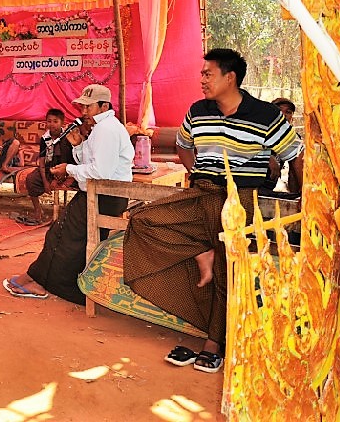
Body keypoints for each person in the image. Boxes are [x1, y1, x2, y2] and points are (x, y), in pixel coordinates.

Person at [122, 49, 303, 375]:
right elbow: (182, 144)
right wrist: (197, 172)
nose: (202, 80)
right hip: (202, 191)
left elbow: (295, 154)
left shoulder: (265, 115)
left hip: (240, 200)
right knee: (143, 220)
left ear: (229, 77)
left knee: (225, 270)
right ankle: (202, 252)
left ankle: (212, 345)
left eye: (208, 74)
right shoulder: (198, 110)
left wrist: (305, 198)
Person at [2, 84, 133, 304]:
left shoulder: (106, 129)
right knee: (68, 237)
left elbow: (100, 172)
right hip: (101, 194)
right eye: (83, 107)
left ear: (104, 106)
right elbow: (91, 163)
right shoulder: (101, 128)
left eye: (89, 107)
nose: (84, 112)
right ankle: (59, 284)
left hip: (104, 195)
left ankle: (38, 281)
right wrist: (79, 146)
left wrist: (68, 169)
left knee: (59, 235)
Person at [11, 108, 76, 225]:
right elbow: (42, 161)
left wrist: (63, 176)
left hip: (68, 167)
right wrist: (45, 181)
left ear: (62, 123)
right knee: (31, 179)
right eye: (49, 121)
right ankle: (38, 211)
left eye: (55, 121)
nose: (52, 124)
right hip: (49, 167)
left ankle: (69, 215)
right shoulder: (45, 138)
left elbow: (72, 158)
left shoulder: (68, 136)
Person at [266, 97, 302, 195]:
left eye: (288, 112)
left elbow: (294, 170)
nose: (283, 115)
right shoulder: (261, 129)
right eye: (279, 111)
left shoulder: (293, 138)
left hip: (269, 188)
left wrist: (298, 194)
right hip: (247, 185)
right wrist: (268, 158)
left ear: (292, 118)